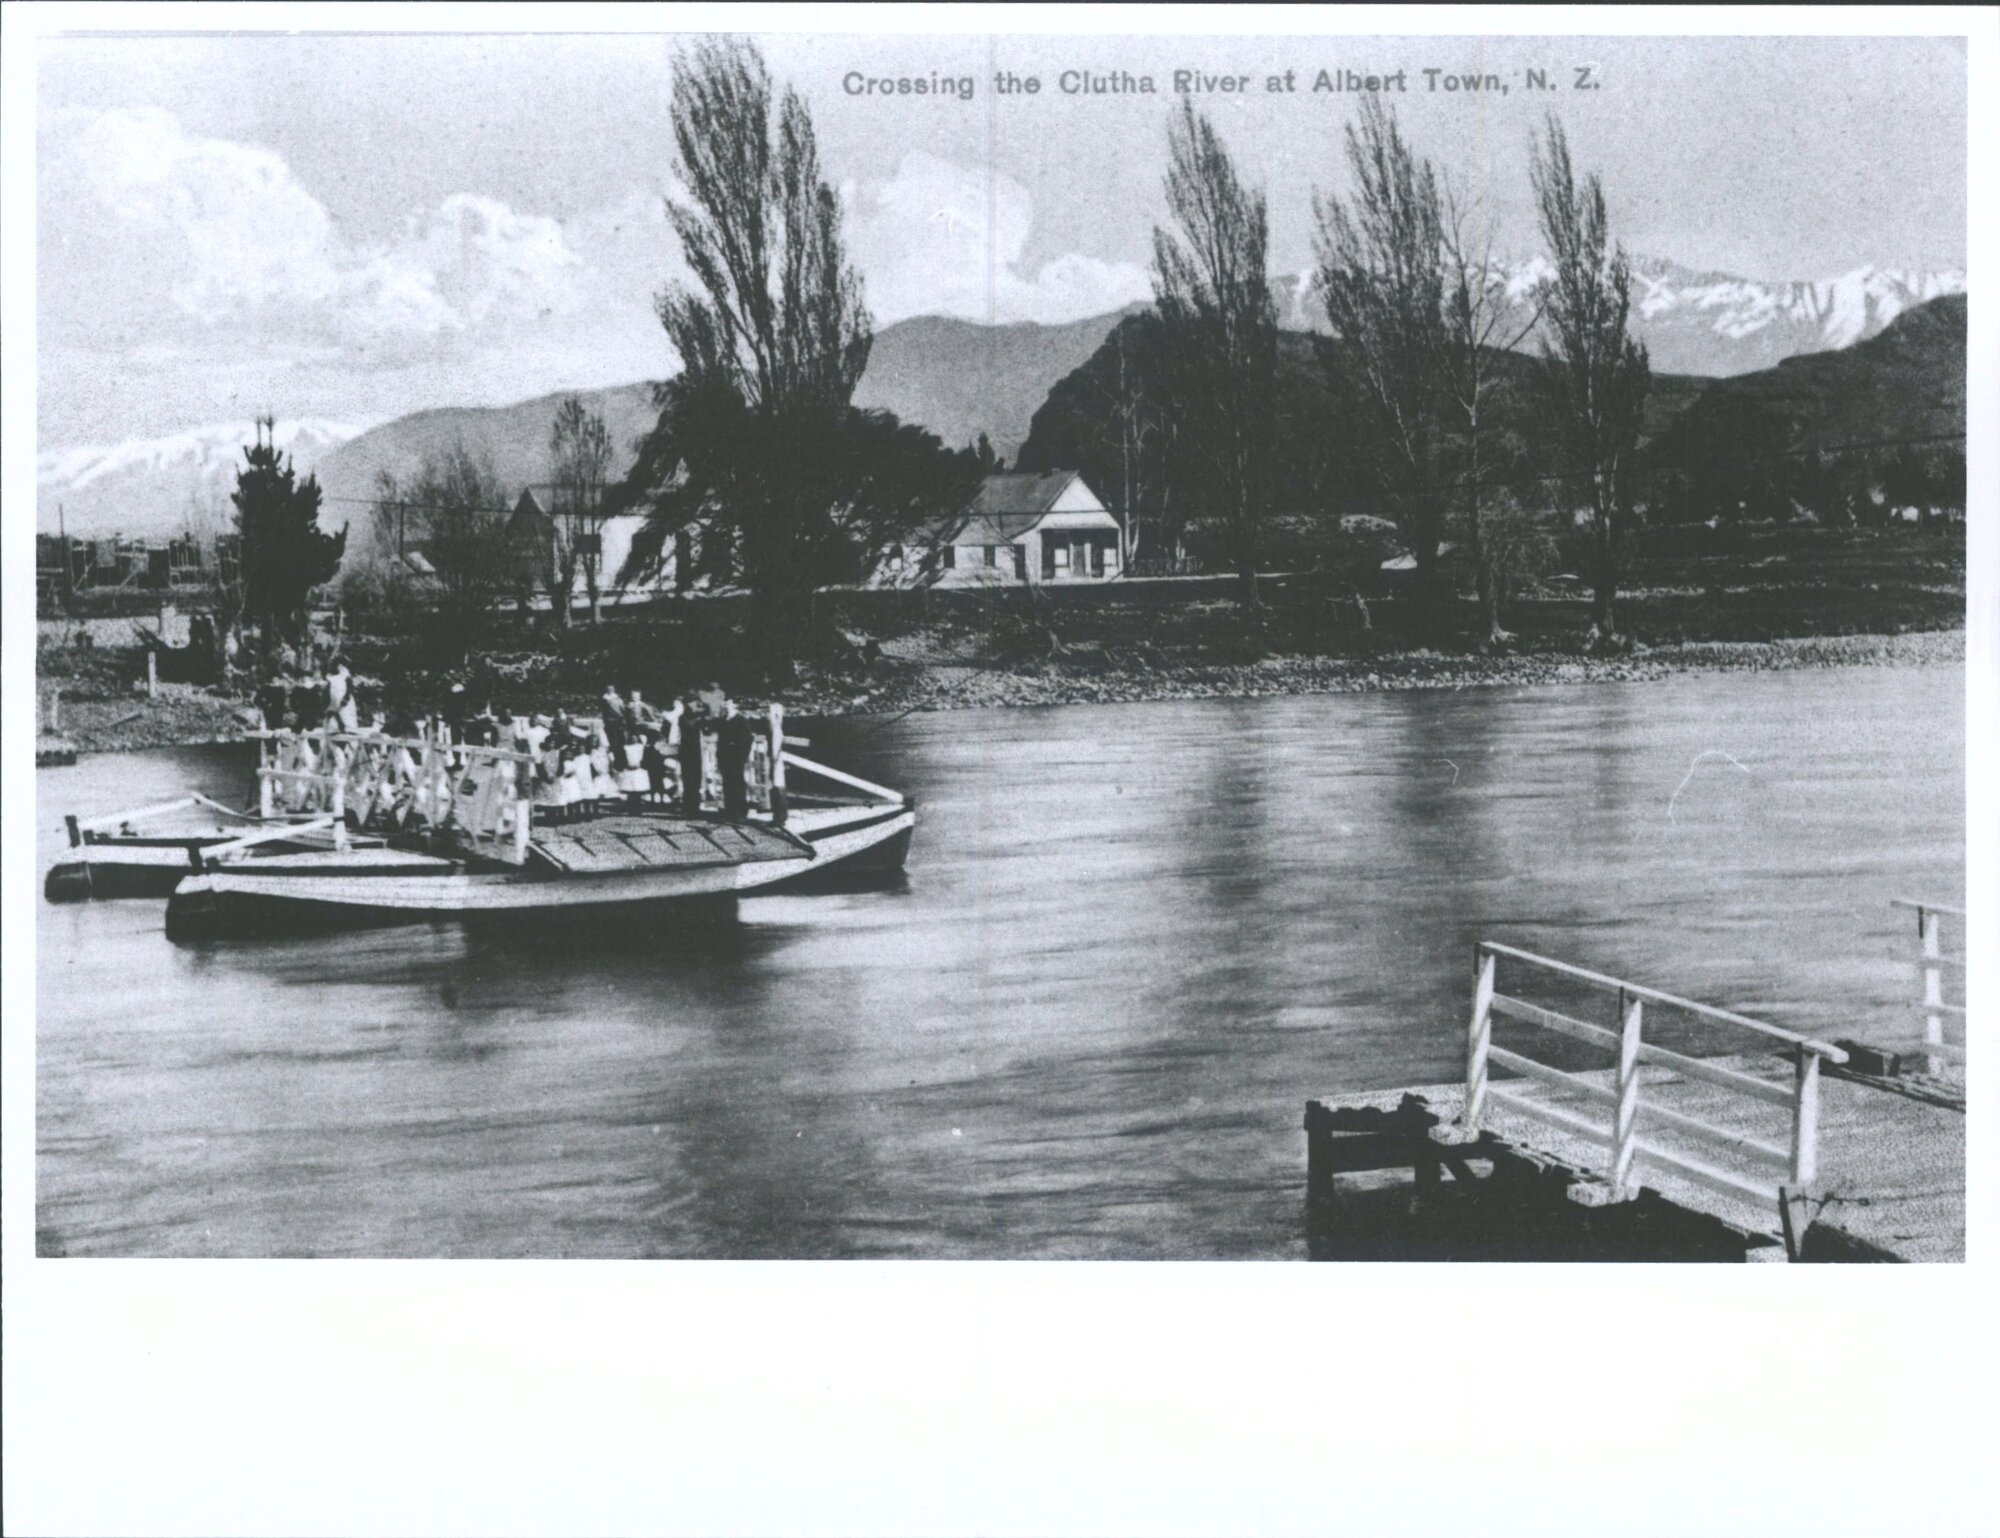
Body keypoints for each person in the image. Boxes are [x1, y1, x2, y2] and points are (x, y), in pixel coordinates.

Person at [716, 696, 755, 821]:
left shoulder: (741, 721)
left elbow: (748, 739)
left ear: (734, 706)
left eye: (729, 704)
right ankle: (730, 810)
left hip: (736, 757)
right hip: (724, 756)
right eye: (725, 704)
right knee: (727, 783)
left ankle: (740, 812)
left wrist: (741, 754)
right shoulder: (723, 720)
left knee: (737, 783)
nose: (726, 706)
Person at [676, 694, 707, 817]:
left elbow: (705, 729)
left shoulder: (698, 718)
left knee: (695, 779)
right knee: (688, 780)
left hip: (695, 751)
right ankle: (688, 807)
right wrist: (700, 719)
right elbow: (690, 725)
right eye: (692, 703)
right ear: (687, 705)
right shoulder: (682, 718)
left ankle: (694, 807)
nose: (694, 705)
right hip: (687, 751)